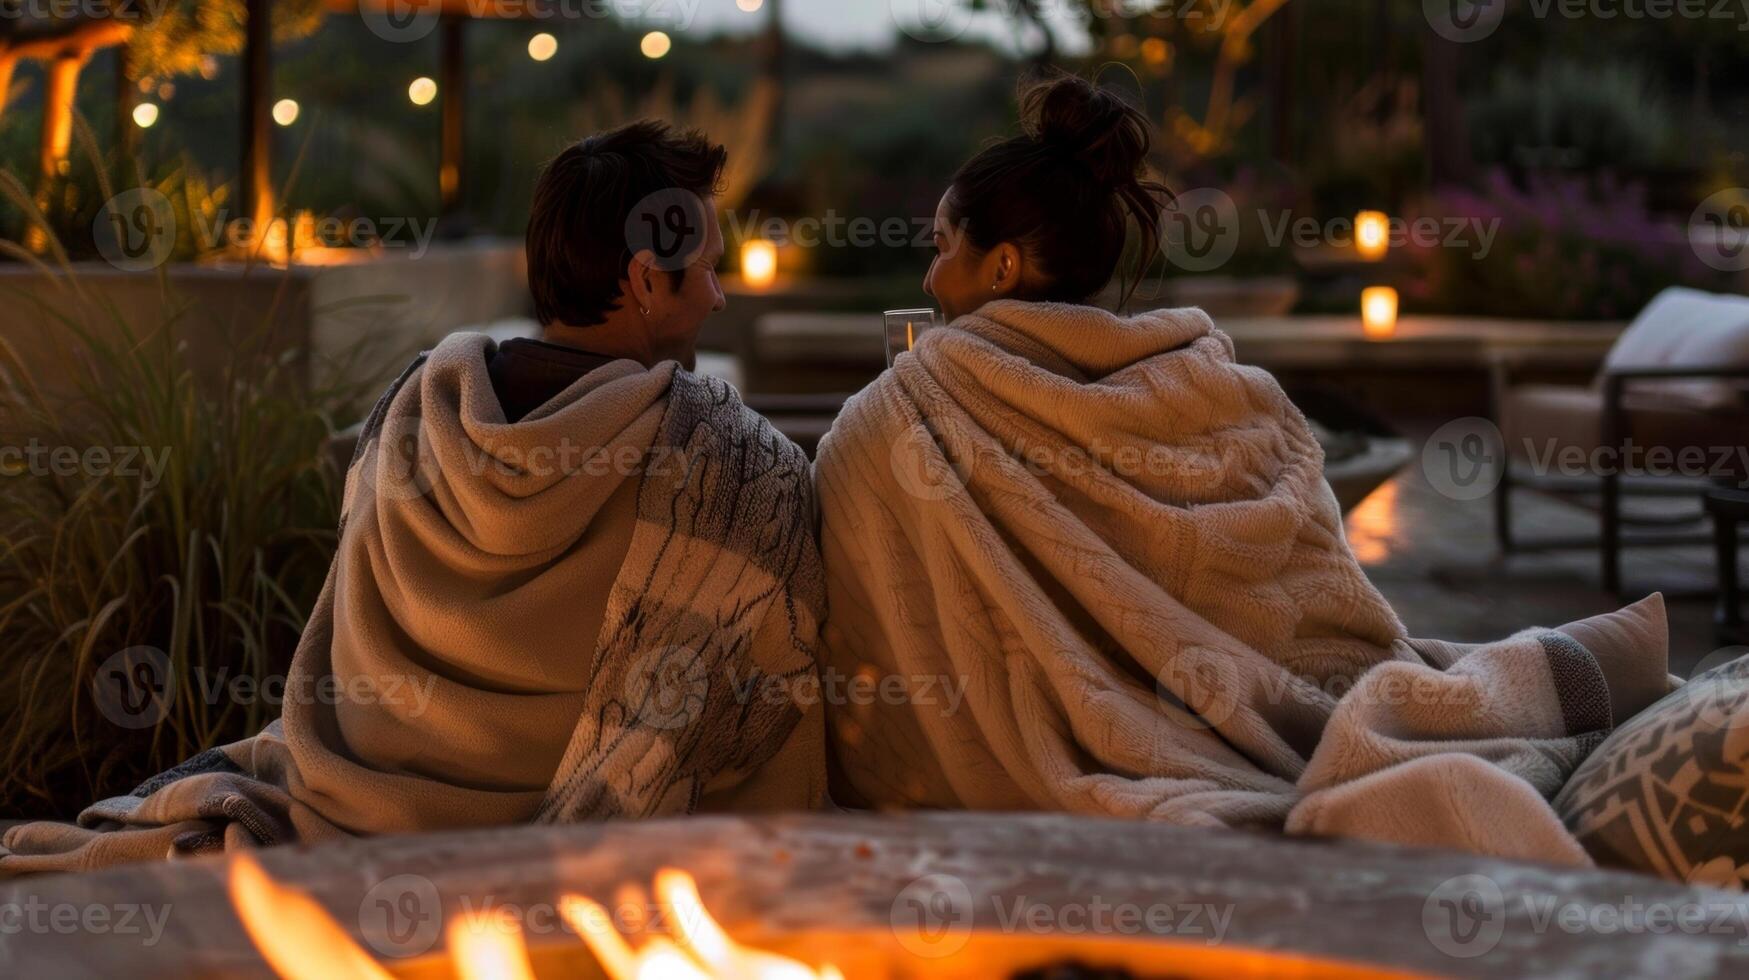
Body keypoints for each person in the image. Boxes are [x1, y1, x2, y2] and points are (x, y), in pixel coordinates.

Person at [812, 74, 1668, 862]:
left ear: (999, 265)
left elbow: (859, 610)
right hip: (1303, 729)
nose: (928, 273)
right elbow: (1317, 603)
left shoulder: (904, 414)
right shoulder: (1222, 390)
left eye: (939, 245)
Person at [0, 120, 826, 876]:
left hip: (356, 803)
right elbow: (765, 713)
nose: (719, 297)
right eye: (709, 270)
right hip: (571, 836)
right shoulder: (726, 469)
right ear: (647, 281)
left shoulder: (409, 417)